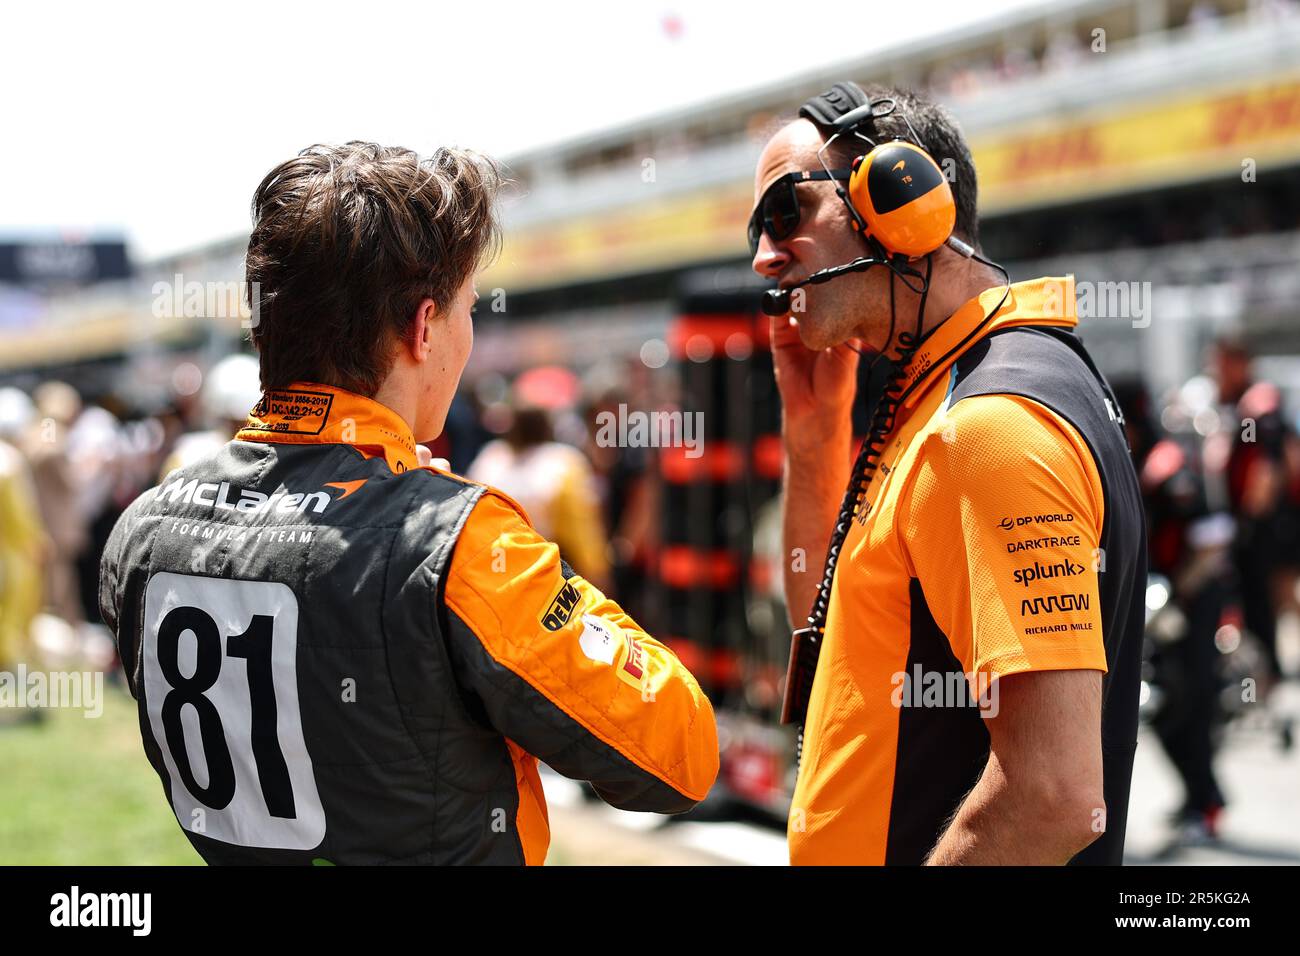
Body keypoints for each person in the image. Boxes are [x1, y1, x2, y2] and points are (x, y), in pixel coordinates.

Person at [99, 141, 718, 865]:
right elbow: (681, 755)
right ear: (425, 327)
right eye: (467, 309)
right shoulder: (457, 541)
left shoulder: (142, 529)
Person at [751, 82, 1146, 864]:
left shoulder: (986, 423)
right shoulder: (950, 391)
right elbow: (838, 650)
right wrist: (814, 435)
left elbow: (1055, 796)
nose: (764, 255)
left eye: (785, 212)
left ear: (904, 195)